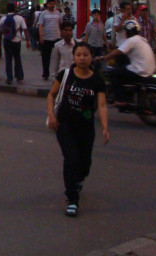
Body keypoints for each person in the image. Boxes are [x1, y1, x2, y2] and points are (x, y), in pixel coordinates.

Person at [47, 41, 110, 218]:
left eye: (85, 55)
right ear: (74, 57)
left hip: (86, 128)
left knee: (85, 163)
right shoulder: (65, 75)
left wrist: (105, 127)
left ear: (91, 57)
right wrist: (51, 115)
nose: (82, 58)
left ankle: (79, 178)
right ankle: (72, 199)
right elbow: (51, 95)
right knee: (71, 159)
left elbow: (102, 105)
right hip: (65, 125)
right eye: (78, 55)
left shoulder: (97, 80)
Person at [103, 19, 156, 106]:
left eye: (125, 31)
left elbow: (118, 51)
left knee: (113, 74)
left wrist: (104, 57)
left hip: (140, 71)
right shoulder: (142, 40)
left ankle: (121, 99)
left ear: (128, 31)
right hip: (149, 70)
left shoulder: (132, 40)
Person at [0, 3, 30, 85]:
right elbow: (25, 29)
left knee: (8, 60)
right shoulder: (20, 18)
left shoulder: (3, 18)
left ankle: (9, 78)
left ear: (7, 9)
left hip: (7, 41)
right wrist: (27, 41)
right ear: (15, 9)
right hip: (17, 41)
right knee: (17, 58)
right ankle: (19, 76)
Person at [37, 0, 62, 81]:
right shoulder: (43, 14)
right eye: (50, 4)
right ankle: (45, 74)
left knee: (58, 57)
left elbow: (60, 24)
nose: (52, 5)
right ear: (47, 4)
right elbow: (40, 25)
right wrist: (41, 36)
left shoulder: (58, 13)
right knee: (45, 58)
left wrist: (61, 35)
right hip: (46, 38)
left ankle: (58, 73)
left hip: (57, 38)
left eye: (53, 4)